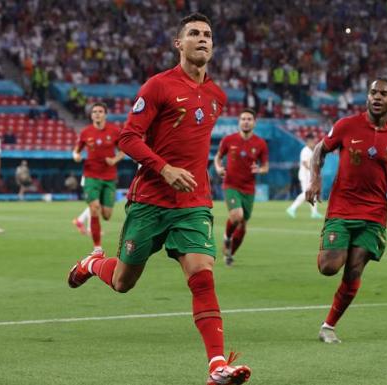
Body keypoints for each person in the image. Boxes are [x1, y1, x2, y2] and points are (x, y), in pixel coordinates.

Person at [66, 13, 251, 385]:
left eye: (208, 35)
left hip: (194, 202)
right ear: (178, 44)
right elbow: (129, 138)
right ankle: (91, 264)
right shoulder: (158, 86)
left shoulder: (217, 96)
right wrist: (164, 168)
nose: (202, 39)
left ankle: (217, 365)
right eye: (194, 34)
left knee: (202, 276)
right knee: (123, 282)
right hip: (150, 198)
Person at [305, 79, 387, 344]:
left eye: (384, 94)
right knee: (328, 266)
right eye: (373, 92)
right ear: (367, 97)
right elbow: (320, 150)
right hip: (342, 208)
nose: (377, 97)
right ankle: (332, 250)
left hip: (374, 214)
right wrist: (314, 179)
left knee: (354, 270)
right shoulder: (346, 125)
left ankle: (328, 327)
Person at [214, 108, 269, 266]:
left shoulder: (260, 144)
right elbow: (218, 158)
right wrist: (218, 168)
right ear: (239, 122)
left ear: (254, 123)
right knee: (237, 216)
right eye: (243, 119)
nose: (246, 121)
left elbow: (265, 166)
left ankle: (230, 254)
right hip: (231, 185)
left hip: (249, 189)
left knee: (242, 225)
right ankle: (226, 238)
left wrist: (260, 169)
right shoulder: (228, 140)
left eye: (249, 119)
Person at [71, 102, 124, 251]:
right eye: (94, 112)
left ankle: (96, 208)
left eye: (100, 111)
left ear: (105, 114)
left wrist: (114, 160)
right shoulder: (86, 132)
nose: (97, 114)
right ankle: (97, 247)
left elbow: (123, 151)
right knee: (94, 208)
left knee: (106, 215)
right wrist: (76, 156)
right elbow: (76, 150)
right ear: (91, 115)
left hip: (109, 177)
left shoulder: (114, 131)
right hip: (91, 176)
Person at [286, 133, 322, 219]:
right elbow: (305, 163)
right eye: (312, 141)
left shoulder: (311, 151)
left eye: (314, 141)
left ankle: (314, 213)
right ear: (308, 142)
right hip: (305, 176)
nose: (314, 143)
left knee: (313, 194)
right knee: (306, 194)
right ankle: (291, 208)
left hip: (310, 176)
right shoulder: (305, 150)